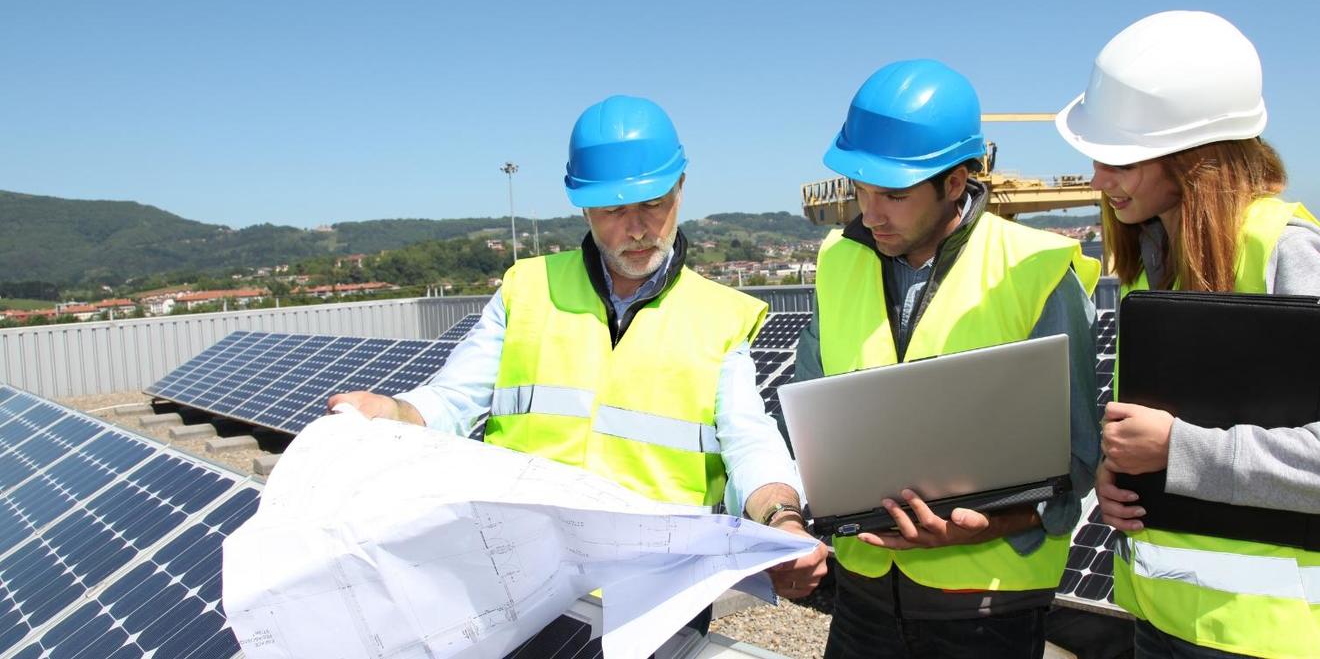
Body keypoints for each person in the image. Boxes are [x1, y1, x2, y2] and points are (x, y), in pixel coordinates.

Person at [328, 95, 828, 610]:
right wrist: (394, 413)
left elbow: (750, 441)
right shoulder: (526, 289)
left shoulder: (721, 315)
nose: (636, 228)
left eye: (653, 204)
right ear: (583, 204)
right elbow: (453, 400)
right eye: (614, 210)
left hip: (658, 593)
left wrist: (781, 518)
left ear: (680, 188)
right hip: (524, 580)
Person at [1054, 10, 1320, 659]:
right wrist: (1124, 478)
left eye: (1118, 156)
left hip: (1269, 643)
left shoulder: (1285, 252)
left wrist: (1180, 451)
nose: (1096, 177)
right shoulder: (1157, 263)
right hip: (1161, 625)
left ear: (1194, 154)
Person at [792, 58, 1103, 659]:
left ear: (955, 182)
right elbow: (807, 414)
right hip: (862, 596)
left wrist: (990, 522)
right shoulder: (838, 261)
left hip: (985, 608)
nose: (870, 212)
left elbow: (1076, 462)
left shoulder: (1035, 271)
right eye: (861, 189)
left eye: (894, 194)